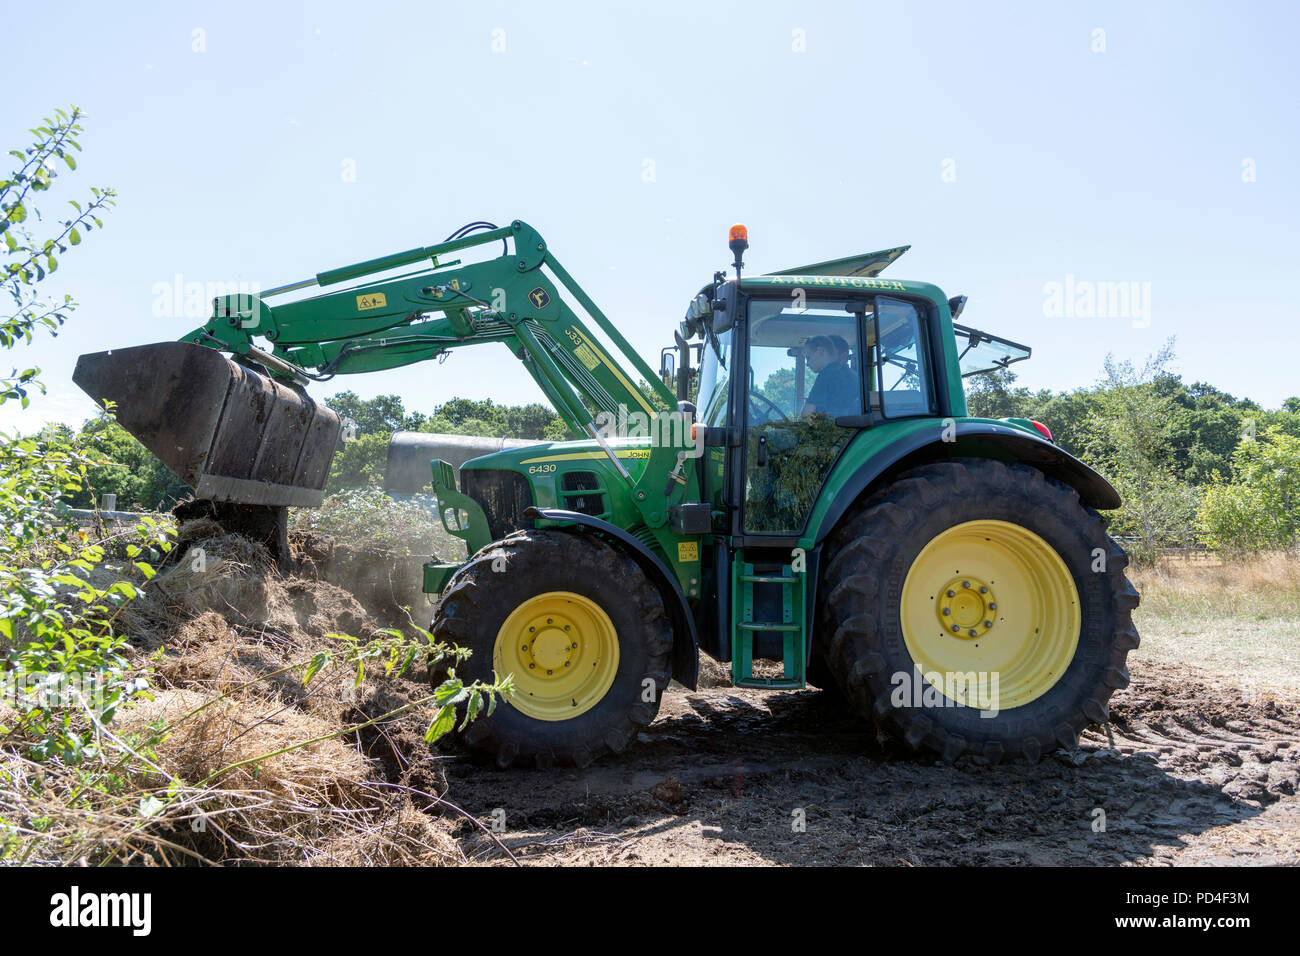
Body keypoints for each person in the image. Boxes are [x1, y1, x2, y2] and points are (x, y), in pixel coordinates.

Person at [800, 335, 859, 418]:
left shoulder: (826, 374)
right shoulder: (855, 377)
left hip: (832, 428)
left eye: (808, 357)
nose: (807, 364)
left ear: (821, 351)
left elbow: (807, 414)